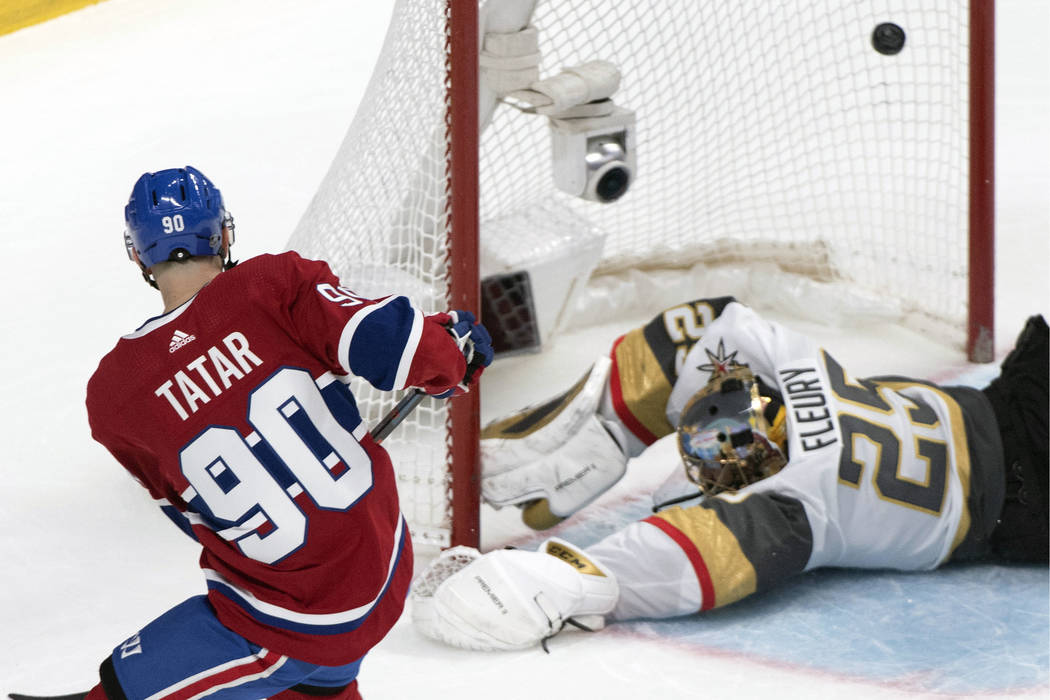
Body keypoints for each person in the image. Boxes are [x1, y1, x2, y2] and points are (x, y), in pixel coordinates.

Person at [411, 297, 1047, 651]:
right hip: (1013, 405)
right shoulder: (803, 371)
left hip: (1023, 495)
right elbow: (714, 323)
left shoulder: (800, 505)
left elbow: (695, 558)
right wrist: (626, 417)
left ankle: (599, 431)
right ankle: (603, 426)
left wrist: (566, 581)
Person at [83, 166, 493, 698]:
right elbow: (395, 344)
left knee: (118, 686)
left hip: (288, 616)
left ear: (138, 255)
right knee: (320, 680)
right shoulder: (272, 284)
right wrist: (451, 354)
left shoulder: (114, 398)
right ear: (223, 234)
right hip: (383, 565)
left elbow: (191, 513)